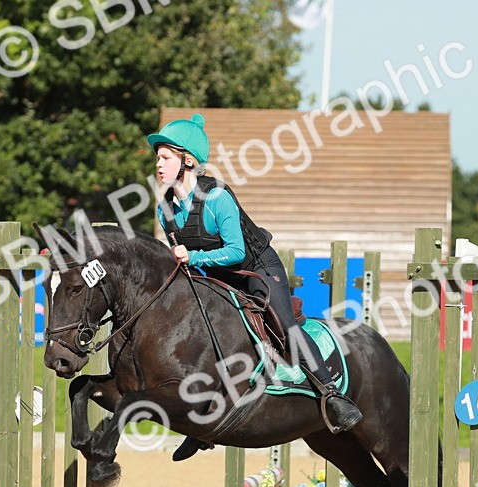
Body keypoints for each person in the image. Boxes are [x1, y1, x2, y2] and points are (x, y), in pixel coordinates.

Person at [147, 114, 363, 461]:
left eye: (165, 157)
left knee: (285, 325)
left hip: (258, 269)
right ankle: (199, 424)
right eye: (157, 158)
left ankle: (333, 393)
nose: (158, 164)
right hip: (218, 276)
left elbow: (237, 251)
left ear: (187, 160)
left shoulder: (216, 198)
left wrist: (194, 256)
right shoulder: (165, 210)